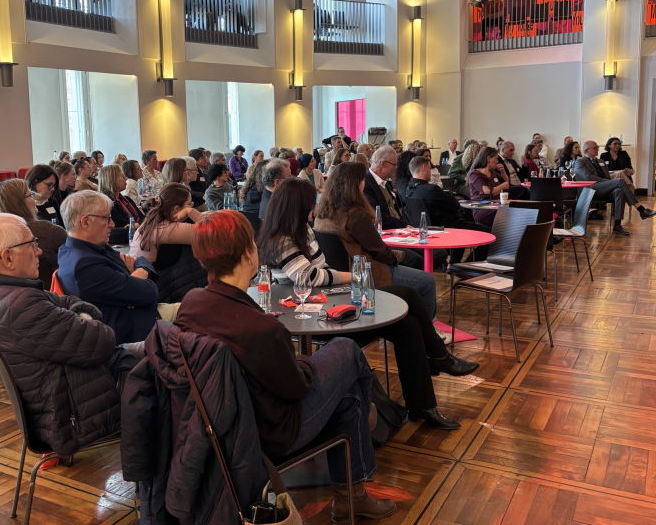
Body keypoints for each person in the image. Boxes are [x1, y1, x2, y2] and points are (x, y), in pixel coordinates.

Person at [177, 209, 397, 521]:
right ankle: (365, 428)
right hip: (272, 432)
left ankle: (353, 493)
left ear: (202, 260)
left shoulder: (190, 304)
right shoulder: (261, 329)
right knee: (346, 350)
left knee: (348, 400)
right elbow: (296, 387)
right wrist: (302, 360)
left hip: (219, 425)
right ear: (249, 254)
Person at [259, 177, 477, 426]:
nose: (313, 209)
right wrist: (351, 277)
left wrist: (344, 281)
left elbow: (322, 270)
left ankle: (423, 405)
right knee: (408, 294)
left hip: (331, 302)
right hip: (316, 319)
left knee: (409, 325)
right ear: (296, 207)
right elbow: (310, 277)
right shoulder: (280, 241)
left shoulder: (302, 230)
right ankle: (439, 357)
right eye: (309, 204)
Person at [0, 213, 137, 458]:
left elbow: (69, 301)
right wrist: (84, 319)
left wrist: (81, 317)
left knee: (158, 351)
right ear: (7, 257)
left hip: (69, 400)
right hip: (73, 419)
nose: (39, 251)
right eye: (32, 244)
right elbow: (103, 341)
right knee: (170, 380)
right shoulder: (23, 306)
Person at [315, 161, 440, 319]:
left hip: (340, 271)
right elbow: (379, 250)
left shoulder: (321, 213)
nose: (364, 183)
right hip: (368, 272)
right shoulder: (354, 215)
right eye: (362, 180)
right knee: (427, 280)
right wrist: (395, 258)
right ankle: (429, 328)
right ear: (354, 184)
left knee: (410, 260)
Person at [57, 191, 160, 343]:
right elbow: (150, 292)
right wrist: (136, 281)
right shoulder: (85, 265)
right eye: (106, 218)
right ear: (85, 222)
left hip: (144, 317)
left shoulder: (80, 249)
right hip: (136, 338)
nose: (112, 224)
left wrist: (140, 271)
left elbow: (140, 260)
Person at [403, 156, 490, 264]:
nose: (431, 172)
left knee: (460, 223)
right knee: (490, 235)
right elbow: (455, 205)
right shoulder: (431, 190)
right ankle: (465, 265)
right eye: (430, 168)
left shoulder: (408, 189)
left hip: (428, 229)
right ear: (424, 168)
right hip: (447, 228)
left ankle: (454, 263)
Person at [0, 179, 68, 290]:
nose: (35, 200)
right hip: (54, 292)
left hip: (7, 294)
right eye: (31, 195)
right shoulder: (48, 231)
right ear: (19, 203)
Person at [574, 141, 656, 236]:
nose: (597, 149)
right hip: (591, 189)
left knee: (619, 191)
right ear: (586, 150)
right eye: (595, 147)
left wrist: (608, 182)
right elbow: (587, 177)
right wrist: (606, 182)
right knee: (620, 181)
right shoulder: (580, 162)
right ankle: (641, 209)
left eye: (597, 147)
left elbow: (607, 176)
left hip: (604, 188)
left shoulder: (600, 161)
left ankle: (617, 225)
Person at [130, 182, 204, 264]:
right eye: (189, 204)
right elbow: (212, 232)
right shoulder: (166, 228)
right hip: (152, 271)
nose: (191, 206)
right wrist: (190, 211)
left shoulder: (153, 221)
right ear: (176, 208)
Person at [467, 147, 513, 227]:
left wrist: (503, 172)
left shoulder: (492, 172)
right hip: (482, 208)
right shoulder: (475, 174)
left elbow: (506, 184)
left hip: (495, 206)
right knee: (509, 212)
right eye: (496, 158)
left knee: (514, 208)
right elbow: (487, 191)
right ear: (488, 159)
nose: (497, 162)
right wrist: (501, 186)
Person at [98, 164, 143, 245]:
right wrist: (138, 225)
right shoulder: (107, 205)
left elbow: (144, 219)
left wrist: (137, 225)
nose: (126, 178)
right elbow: (121, 231)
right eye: (122, 176)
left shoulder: (126, 199)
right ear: (112, 180)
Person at [365, 146, 408, 230]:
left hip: (396, 229)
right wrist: (403, 225)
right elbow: (376, 215)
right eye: (394, 164)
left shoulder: (385, 181)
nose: (396, 167)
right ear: (383, 164)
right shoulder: (365, 183)